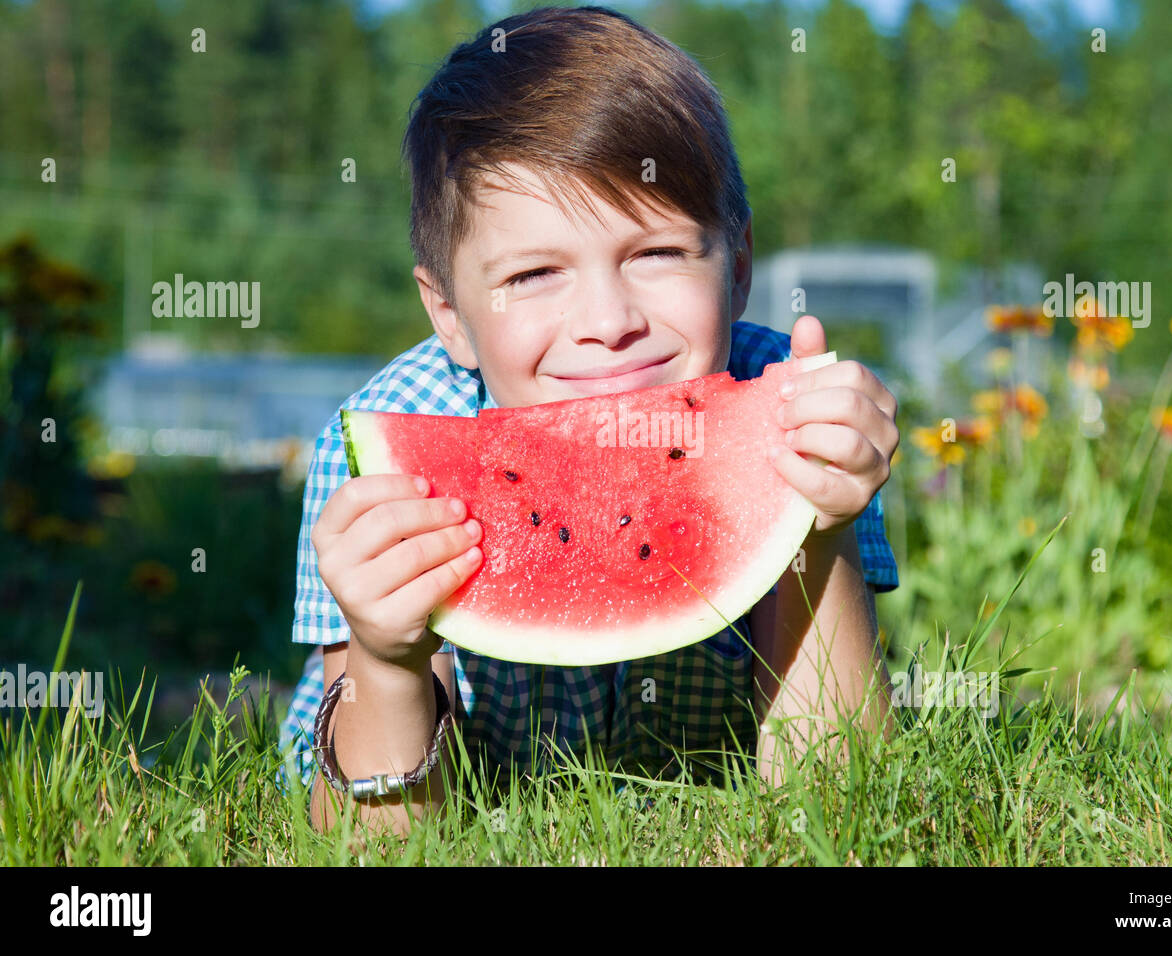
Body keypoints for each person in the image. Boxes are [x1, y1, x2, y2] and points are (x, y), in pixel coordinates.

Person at [276, 4, 901, 836]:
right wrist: (387, 659)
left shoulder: (792, 406)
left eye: (656, 254)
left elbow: (841, 798)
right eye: (534, 274)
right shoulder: (384, 442)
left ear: (739, 267)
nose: (608, 320)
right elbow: (375, 848)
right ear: (449, 314)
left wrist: (818, 532)